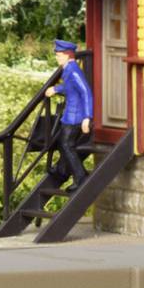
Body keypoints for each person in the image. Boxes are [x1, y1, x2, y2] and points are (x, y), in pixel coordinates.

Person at [48, 39, 95, 191]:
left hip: (76, 116)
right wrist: (57, 89)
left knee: (67, 144)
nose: (57, 58)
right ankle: (62, 169)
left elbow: (86, 92)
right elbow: (69, 87)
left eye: (59, 55)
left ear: (68, 55)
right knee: (62, 142)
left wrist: (87, 117)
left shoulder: (73, 70)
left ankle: (81, 177)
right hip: (69, 114)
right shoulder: (68, 69)